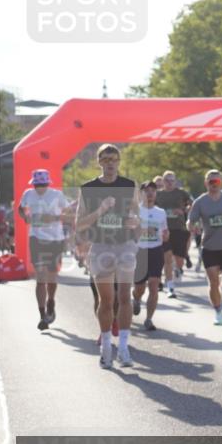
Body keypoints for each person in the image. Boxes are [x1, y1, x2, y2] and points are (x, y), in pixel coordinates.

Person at [75, 144, 140, 368]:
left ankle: (123, 348)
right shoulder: (88, 188)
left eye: (114, 159)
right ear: (99, 162)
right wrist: (100, 210)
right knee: (106, 300)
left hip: (125, 245)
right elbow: (79, 223)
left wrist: (135, 223)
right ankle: (105, 347)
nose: (111, 163)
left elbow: (137, 215)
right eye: (106, 159)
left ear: (118, 162)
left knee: (124, 297)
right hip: (101, 246)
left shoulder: (130, 185)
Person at [189, 170, 222, 325]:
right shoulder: (200, 202)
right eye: (211, 182)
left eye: (217, 182)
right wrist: (192, 227)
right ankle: (218, 311)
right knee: (213, 281)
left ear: (221, 182)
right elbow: (190, 221)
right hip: (209, 247)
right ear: (206, 183)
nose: (214, 185)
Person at [18, 169, 69, 330]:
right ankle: (42, 317)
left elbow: (69, 214)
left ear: (48, 183)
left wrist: (53, 218)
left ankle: (51, 301)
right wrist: (24, 216)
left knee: (52, 277)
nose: (39, 187)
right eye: (36, 185)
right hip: (36, 238)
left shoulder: (57, 195)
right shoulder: (28, 194)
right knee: (40, 277)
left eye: (42, 184)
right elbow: (20, 208)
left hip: (55, 239)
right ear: (33, 184)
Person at [132, 181, 168, 331]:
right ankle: (136, 299)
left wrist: (165, 235)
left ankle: (149, 319)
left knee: (154, 286)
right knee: (139, 287)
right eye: (147, 191)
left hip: (155, 251)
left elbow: (165, 233)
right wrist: (146, 230)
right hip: (139, 251)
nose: (150, 193)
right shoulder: (135, 211)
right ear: (141, 193)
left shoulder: (161, 212)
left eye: (153, 190)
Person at [155, 170, 193, 298]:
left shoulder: (181, 193)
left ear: (175, 181)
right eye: (167, 180)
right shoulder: (158, 195)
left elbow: (192, 204)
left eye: (172, 180)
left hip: (179, 229)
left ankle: (178, 269)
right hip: (164, 230)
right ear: (163, 181)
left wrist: (183, 210)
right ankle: (170, 287)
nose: (170, 183)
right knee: (167, 258)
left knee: (179, 260)